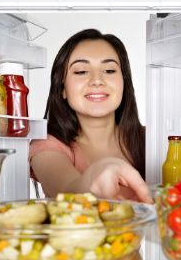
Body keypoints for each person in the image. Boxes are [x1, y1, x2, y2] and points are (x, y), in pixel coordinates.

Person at [29, 29, 152, 203]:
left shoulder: (152, 140)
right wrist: (95, 177)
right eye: (81, 71)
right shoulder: (47, 145)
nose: (97, 80)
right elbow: (67, 190)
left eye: (109, 70)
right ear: (62, 88)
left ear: (124, 83)